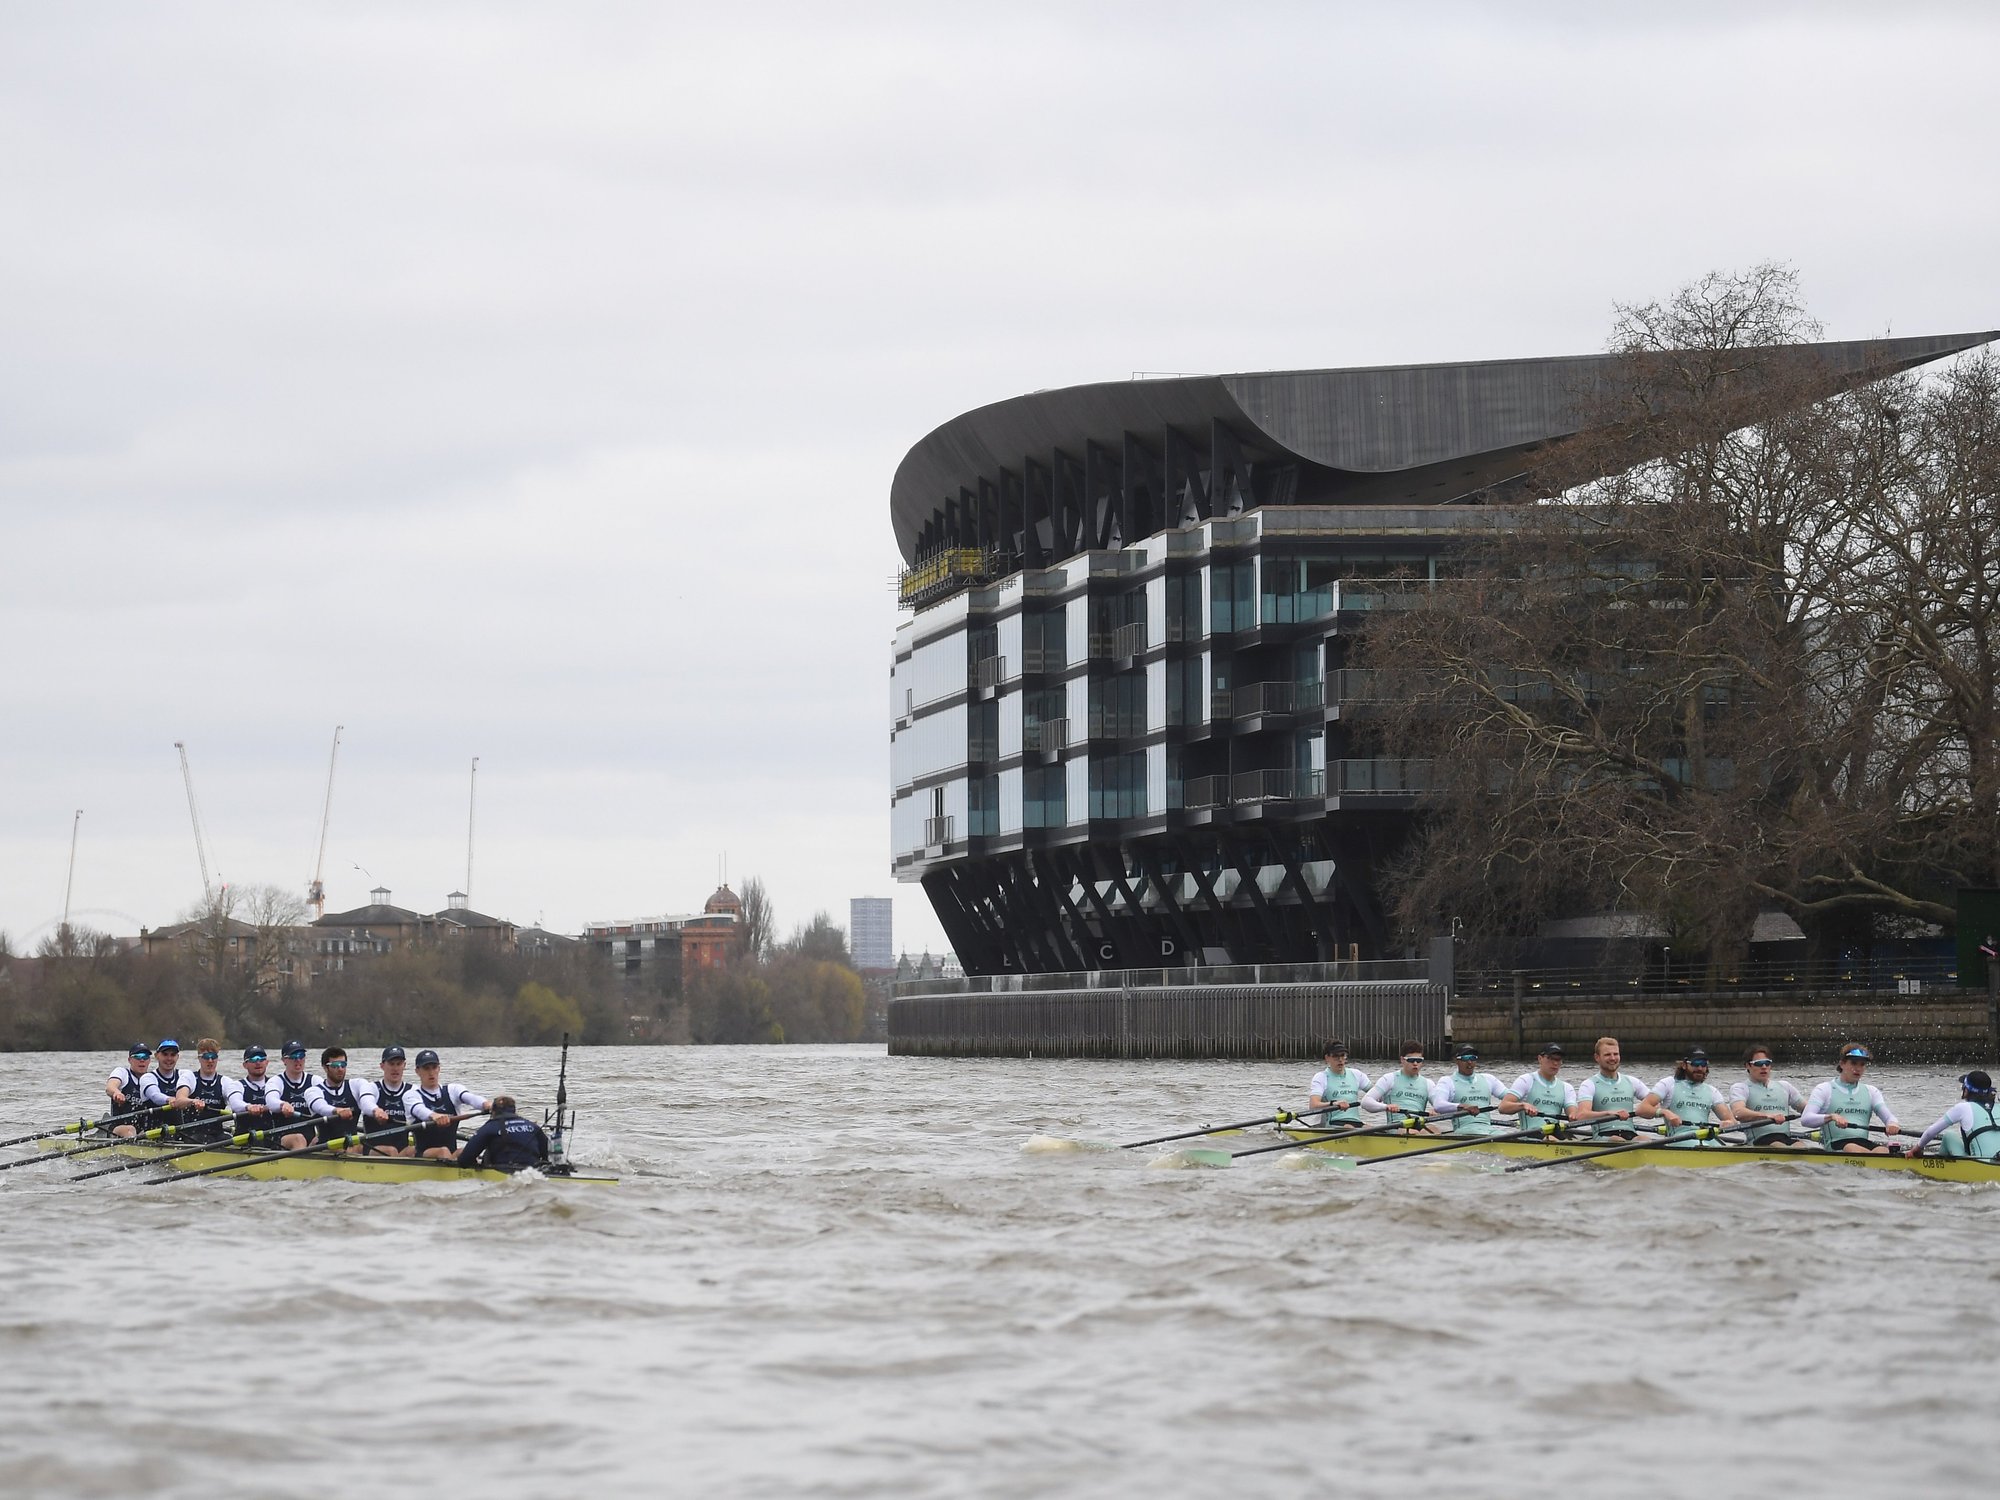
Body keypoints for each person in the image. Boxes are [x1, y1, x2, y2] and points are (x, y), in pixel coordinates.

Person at [1801, 1043, 1901, 1154]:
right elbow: (1806, 1119)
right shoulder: (1824, 1089)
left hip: (1862, 1143)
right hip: (1836, 1144)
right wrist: (1831, 1117)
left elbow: (1889, 1117)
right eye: (1853, 1063)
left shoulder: (1871, 1091)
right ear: (1842, 1064)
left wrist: (1892, 1124)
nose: (1858, 1069)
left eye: (1862, 1064)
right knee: (1852, 1148)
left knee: (1883, 1150)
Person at [1639, 1047, 1737, 1146]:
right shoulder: (1668, 1084)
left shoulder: (1712, 1091)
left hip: (1705, 1138)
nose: (1700, 1068)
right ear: (1684, 1065)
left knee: (1724, 1148)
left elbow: (1732, 1121)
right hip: (1677, 1139)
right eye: (1695, 1063)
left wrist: (1728, 1123)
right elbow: (1642, 1109)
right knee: (1707, 1148)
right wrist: (1664, 1112)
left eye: (1703, 1064)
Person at [410, 1050, 491, 1160]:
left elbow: (471, 1098)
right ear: (417, 1071)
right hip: (424, 1155)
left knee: (466, 1151)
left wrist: (486, 1104)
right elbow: (418, 1109)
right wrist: (434, 1116)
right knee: (443, 1151)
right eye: (426, 1068)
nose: (431, 1072)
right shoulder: (412, 1094)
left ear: (439, 1069)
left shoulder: (453, 1090)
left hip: (451, 1154)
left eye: (434, 1067)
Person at [1727, 1045, 1807, 1147]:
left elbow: (1807, 1108)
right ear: (1747, 1066)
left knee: (1800, 1146)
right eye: (1759, 1063)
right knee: (1778, 1145)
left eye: (1767, 1063)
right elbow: (1738, 1113)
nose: (1764, 1067)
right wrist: (1767, 1116)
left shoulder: (1784, 1086)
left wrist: (1825, 1115)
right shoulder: (1740, 1088)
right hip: (1758, 1141)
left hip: (1784, 1138)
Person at [1909, 1072, 2000, 1161]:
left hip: (1980, 1165)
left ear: (1966, 1090)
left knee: (1948, 1136)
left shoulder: (1963, 1108)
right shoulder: (1998, 1106)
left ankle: (1940, 1167)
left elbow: (1930, 1132)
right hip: (1996, 1163)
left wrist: (1917, 1148)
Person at [1572, 1036, 1646, 1139]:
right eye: (1607, 1055)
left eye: (1616, 1054)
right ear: (1597, 1057)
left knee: (1644, 1139)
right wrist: (1608, 1113)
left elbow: (1654, 1104)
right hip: (1603, 1135)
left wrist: (1647, 1110)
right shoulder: (1589, 1084)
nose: (1612, 1058)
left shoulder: (1632, 1082)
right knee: (1617, 1140)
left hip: (1630, 1133)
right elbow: (1581, 1116)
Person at [1430, 1045, 1508, 1135]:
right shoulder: (1447, 1081)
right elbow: (1438, 1105)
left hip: (1488, 1129)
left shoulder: (1488, 1079)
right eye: (1465, 1058)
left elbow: (1511, 1096)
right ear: (1456, 1060)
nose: (1469, 1062)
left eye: (1473, 1058)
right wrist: (1463, 1107)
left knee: (1507, 1136)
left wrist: (1520, 1104)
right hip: (1464, 1131)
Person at [1499, 1043, 1576, 1134]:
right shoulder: (1526, 1080)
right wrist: (1523, 1106)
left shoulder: (1566, 1087)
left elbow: (1573, 1113)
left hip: (1555, 1133)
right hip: (1529, 1135)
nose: (1555, 1063)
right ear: (1540, 1059)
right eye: (1550, 1058)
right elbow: (1503, 1107)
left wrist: (1574, 1115)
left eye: (1558, 1059)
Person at [455, 1096, 549, 1171]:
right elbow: (547, 1154)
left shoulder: (490, 1127)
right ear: (514, 1110)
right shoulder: (533, 1126)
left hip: (504, 1171)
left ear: (493, 1112)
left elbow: (464, 1160)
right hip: (534, 1171)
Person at [1362, 1041, 1437, 1131]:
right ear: (1402, 1060)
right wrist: (1386, 1107)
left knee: (1435, 1129)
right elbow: (1366, 1102)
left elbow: (1440, 1105)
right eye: (1411, 1060)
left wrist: (1436, 1110)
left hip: (1419, 1125)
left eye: (1419, 1060)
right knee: (1416, 1133)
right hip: (1396, 1127)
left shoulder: (1428, 1083)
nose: (1415, 1063)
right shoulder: (1389, 1079)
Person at [180, 1038, 241, 1141]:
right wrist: (192, 1101)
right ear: (199, 1058)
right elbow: (179, 1101)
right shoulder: (189, 1077)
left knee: (228, 1140)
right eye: (206, 1057)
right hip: (191, 1135)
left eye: (213, 1057)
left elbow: (237, 1103)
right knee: (204, 1139)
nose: (210, 1061)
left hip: (217, 1134)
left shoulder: (226, 1082)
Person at [309, 1047, 369, 1150]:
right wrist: (337, 1111)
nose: (340, 1069)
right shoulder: (313, 1091)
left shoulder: (356, 1085)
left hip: (352, 1145)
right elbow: (320, 1107)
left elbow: (368, 1099)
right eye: (335, 1065)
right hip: (327, 1148)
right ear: (325, 1068)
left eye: (343, 1065)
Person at [362, 1046, 417, 1156]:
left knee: (417, 1149)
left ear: (404, 1065)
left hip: (401, 1153)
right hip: (373, 1150)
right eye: (391, 1064)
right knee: (391, 1151)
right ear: (382, 1066)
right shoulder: (372, 1087)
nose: (395, 1068)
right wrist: (376, 1110)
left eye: (399, 1064)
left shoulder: (413, 1090)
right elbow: (366, 1103)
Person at [1307, 1041, 1371, 1129]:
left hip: (1355, 1122)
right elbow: (1313, 1105)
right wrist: (1334, 1103)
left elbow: (1376, 1093)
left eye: (1342, 1055)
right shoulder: (1321, 1077)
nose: (1340, 1059)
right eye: (1335, 1056)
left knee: (1370, 1129)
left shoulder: (1356, 1074)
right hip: (1332, 1122)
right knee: (1349, 1128)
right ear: (1327, 1058)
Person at [269, 1041, 319, 1150]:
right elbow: (271, 1101)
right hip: (281, 1140)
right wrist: (282, 1105)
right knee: (298, 1139)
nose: (298, 1060)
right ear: (284, 1060)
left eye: (301, 1056)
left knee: (324, 1138)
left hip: (310, 1140)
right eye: (293, 1057)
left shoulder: (315, 1081)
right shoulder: (276, 1081)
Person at [103, 1043, 153, 1138]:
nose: (142, 1060)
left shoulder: (152, 1079)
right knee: (130, 1129)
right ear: (129, 1060)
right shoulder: (122, 1073)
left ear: (149, 1060)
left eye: (145, 1057)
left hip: (144, 1130)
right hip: (119, 1129)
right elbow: (110, 1087)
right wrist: (117, 1093)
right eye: (137, 1056)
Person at [234, 1044, 278, 1142]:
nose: (258, 1062)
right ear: (245, 1065)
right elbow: (235, 1103)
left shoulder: (276, 1083)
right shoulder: (237, 1085)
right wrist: (248, 1107)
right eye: (253, 1059)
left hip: (272, 1137)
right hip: (245, 1139)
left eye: (261, 1059)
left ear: (267, 1062)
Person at [141, 1039, 194, 1116]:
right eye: (165, 1054)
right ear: (156, 1056)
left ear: (177, 1057)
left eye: (173, 1055)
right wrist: (169, 1099)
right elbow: (154, 1095)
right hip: (154, 1122)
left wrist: (192, 1101)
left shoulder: (185, 1074)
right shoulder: (148, 1077)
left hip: (179, 1123)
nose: (169, 1058)